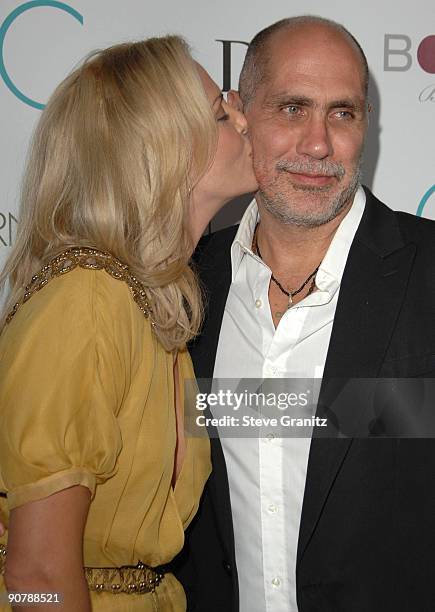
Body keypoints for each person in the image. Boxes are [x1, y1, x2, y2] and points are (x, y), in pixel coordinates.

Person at [173, 16, 435, 612]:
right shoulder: (180, 287)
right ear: (239, 115)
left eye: (343, 113)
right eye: (292, 109)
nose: (318, 145)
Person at [0, 35, 257, 611]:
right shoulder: (88, 301)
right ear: (160, 151)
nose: (245, 120)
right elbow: (36, 572)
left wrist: (391, 409)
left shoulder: (151, 305)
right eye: (221, 113)